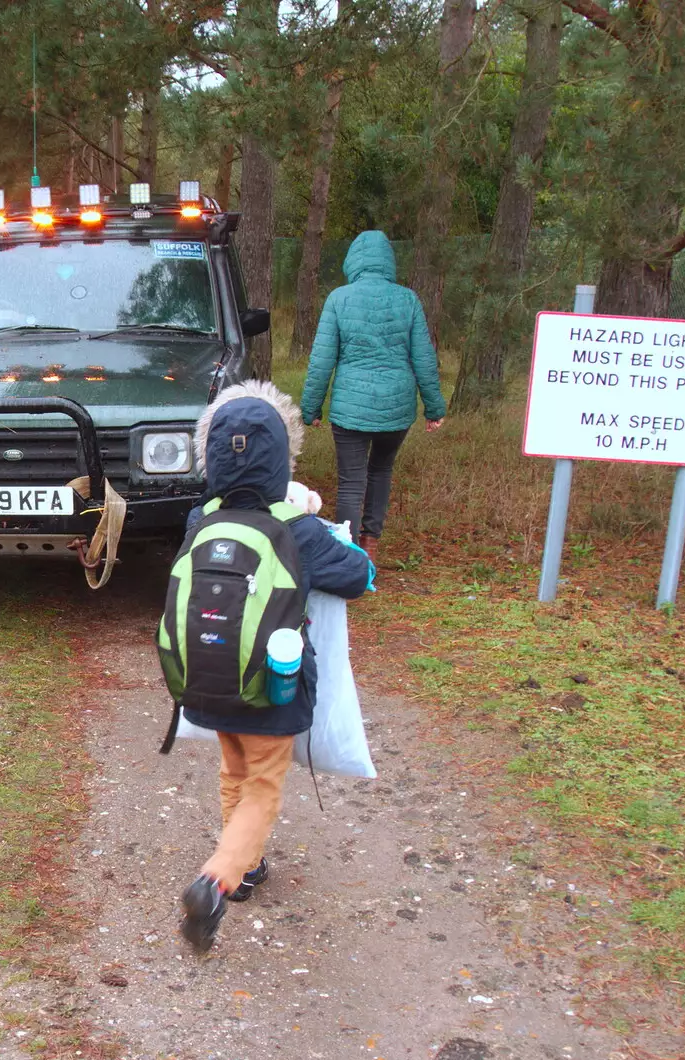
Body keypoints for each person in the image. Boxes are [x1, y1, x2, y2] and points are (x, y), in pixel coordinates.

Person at [176, 381, 373, 952]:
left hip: (209, 681)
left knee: (234, 764)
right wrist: (312, 514)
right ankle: (218, 879)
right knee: (264, 784)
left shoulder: (199, 520)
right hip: (272, 685)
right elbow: (357, 577)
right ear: (284, 460)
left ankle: (249, 864)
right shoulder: (300, 530)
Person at [300, 230, 447, 563]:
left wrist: (311, 408)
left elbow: (322, 359)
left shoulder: (339, 298)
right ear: (389, 262)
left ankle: (347, 557)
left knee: (352, 480)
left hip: (350, 409)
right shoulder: (407, 299)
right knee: (381, 472)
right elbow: (423, 357)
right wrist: (434, 408)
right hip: (397, 408)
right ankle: (370, 545)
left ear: (353, 261)